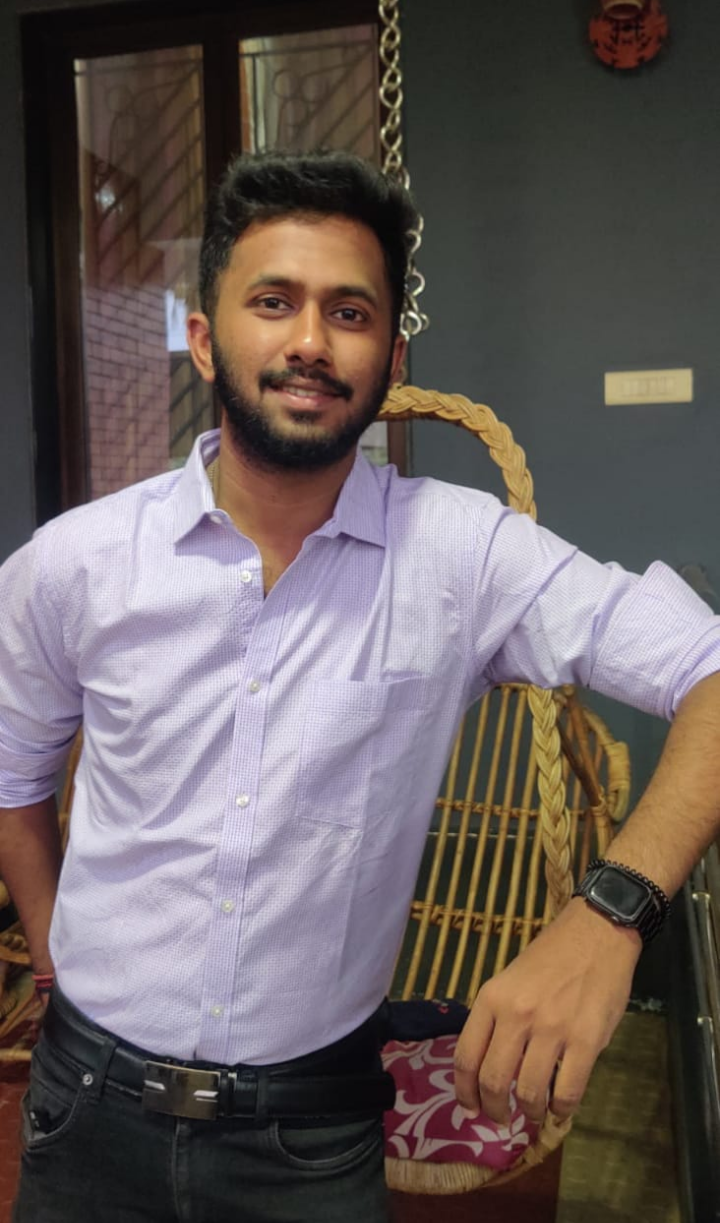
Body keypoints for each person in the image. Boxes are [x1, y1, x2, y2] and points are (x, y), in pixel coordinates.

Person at [1, 149, 719, 1223]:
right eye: (273, 301)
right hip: (83, 1111)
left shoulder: (465, 555)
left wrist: (608, 915)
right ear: (205, 338)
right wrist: (63, 965)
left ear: (390, 356)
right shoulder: (72, 565)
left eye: (349, 312)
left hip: (310, 1136)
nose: (309, 340)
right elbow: (15, 783)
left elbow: (711, 664)